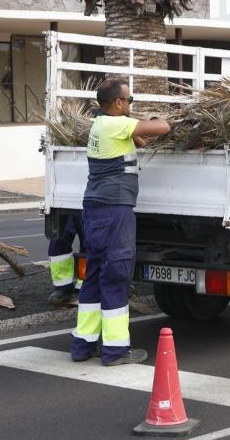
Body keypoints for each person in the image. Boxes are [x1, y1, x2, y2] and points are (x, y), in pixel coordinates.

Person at [71, 78, 170, 366]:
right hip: (115, 210)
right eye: (129, 101)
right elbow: (162, 128)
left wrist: (137, 125)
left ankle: (83, 345)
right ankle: (115, 350)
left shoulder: (101, 125)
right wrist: (153, 119)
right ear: (117, 103)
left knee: (93, 277)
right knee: (116, 274)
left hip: (95, 209)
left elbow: (138, 139)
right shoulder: (116, 124)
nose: (130, 106)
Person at [46, 213, 84, 307]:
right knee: (59, 240)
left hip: (94, 201)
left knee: (90, 242)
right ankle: (63, 287)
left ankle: (86, 282)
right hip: (65, 201)